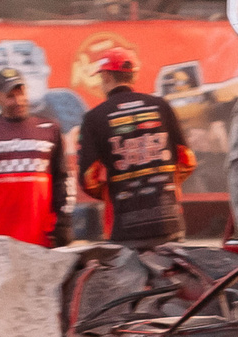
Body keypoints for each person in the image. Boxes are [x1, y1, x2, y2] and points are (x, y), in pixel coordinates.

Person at [77, 48, 194, 249]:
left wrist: (113, 191)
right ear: (133, 76)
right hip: (168, 222)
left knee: (130, 280)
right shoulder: (160, 106)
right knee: (173, 279)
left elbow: (89, 178)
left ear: (105, 76)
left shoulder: (94, 118)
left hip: (124, 228)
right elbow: (186, 159)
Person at [0, 68, 67, 246]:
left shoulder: (50, 128)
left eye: (21, 92)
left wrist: (64, 220)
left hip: (39, 236)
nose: (18, 100)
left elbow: (61, 179)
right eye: (10, 96)